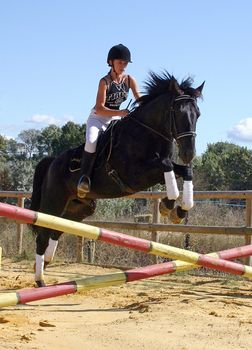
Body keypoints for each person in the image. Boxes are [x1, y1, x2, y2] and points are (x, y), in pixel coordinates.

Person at [77, 44, 141, 198]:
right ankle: (84, 178)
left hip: (115, 119)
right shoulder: (104, 82)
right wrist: (120, 112)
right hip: (98, 118)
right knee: (91, 142)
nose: (123, 66)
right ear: (111, 62)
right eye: (120, 63)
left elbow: (139, 97)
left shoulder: (129, 80)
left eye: (125, 63)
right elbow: (99, 108)